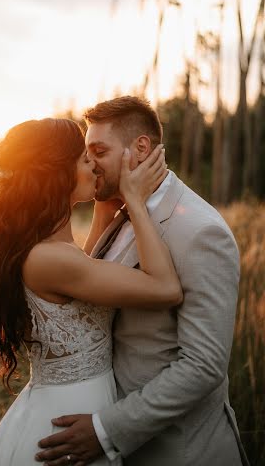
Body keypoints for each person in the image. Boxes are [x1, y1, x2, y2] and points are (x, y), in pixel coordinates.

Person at [35, 96, 249, 466]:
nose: (89, 164)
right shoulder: (118, 211)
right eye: (87, 152)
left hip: (178, 451)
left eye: (99, 151)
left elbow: (203, 365)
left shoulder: (200, 232)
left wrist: (107, 430)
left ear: (141, 148)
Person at [0, 117, 182, 466]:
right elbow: (165, 289)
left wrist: (103, 212)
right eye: (84, 159)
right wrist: (135, 200)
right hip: (67, 417)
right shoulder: (49, 258)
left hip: (74, 405)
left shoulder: (49, 248)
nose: (93, 166)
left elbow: (78, 291)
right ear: (59, 175)